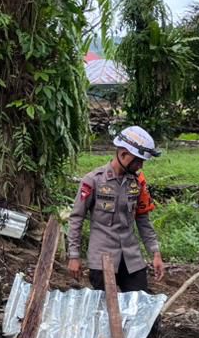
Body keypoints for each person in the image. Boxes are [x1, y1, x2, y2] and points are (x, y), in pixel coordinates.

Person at [67, 125, 165, 293]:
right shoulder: (93, 181)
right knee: (106, 306)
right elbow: (76, 218)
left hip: (131, 259)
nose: (140, 166)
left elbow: (143, 219)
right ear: (124, 154)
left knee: (140, 301)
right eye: (137, 161)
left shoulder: (137, 183)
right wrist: (74, 256)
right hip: (102, 259)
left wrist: (155, 253)